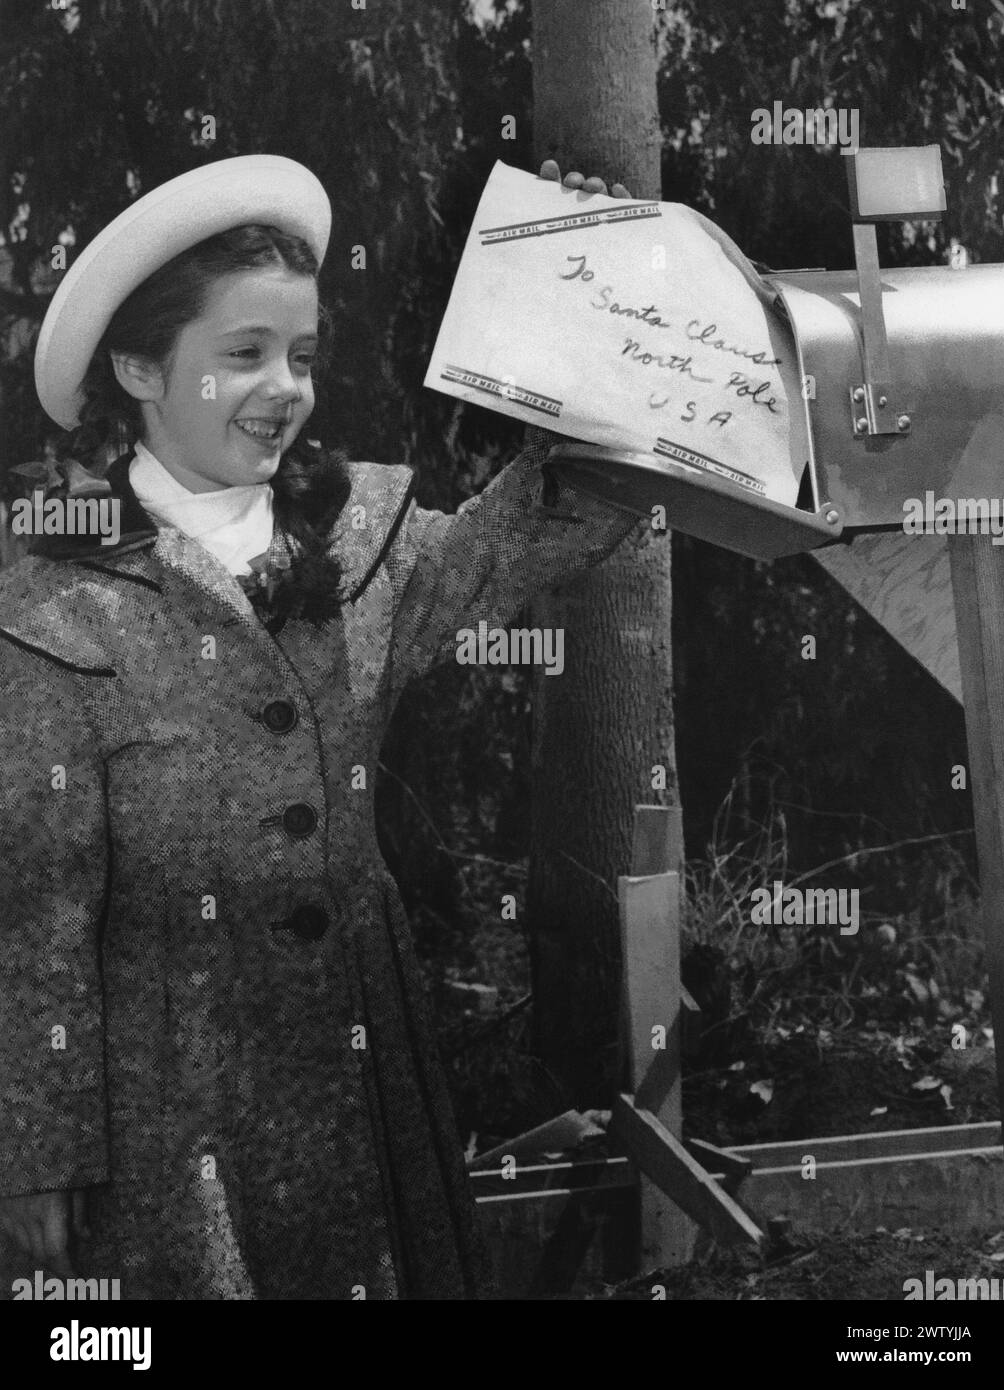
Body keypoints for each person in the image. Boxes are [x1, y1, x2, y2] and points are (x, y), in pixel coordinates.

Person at [0, 154, 639, 1299]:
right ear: (142, 366)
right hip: (166, 1105)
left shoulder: (360, 543)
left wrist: (588, 300)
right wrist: (36, 1147)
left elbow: (552, 516)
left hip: (360, 1054)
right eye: (240, 354)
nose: (284, 387)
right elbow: (34, 910)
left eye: (299, 355)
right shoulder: (48, 601)